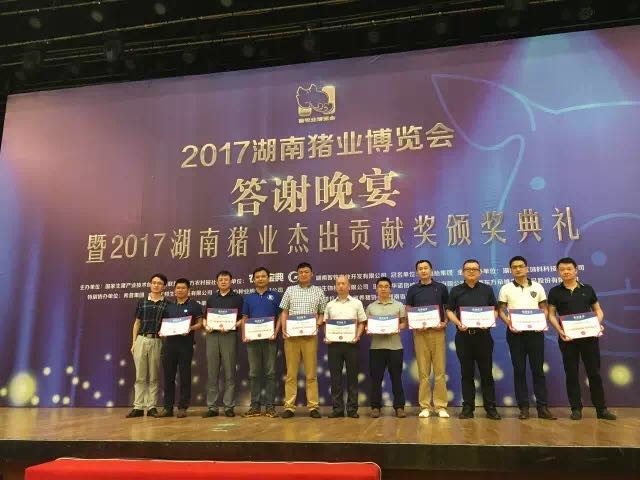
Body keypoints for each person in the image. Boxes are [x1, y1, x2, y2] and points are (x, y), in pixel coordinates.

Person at [547, 257, 616, 421]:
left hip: (589, 338)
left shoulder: (587, 289)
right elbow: (551, 314)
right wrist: (560, 331)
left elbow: (598, 310)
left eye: (569, 269)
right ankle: (576, 409)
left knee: (594, 373)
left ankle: (601, 409)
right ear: (558, 272)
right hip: (567, 339)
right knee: (571, 374)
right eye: (562, 269)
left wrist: (597, 324)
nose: (565, 272)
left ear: (576, 270)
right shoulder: (555, 292)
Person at [498, 256, 555, 420]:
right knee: (519, 370)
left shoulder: (537, 286)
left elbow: (544, 308)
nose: (518, 269)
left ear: (526, 268)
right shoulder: (506, 288)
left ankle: (542, 407)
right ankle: (523, 407)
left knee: (538, 370)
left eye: (521, 266)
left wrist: (541, 321)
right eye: (514, 267)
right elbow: (500, 310)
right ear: (511, 270)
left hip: (535, 333)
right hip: (515, 334)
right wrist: (509, 323)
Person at [446, 259, 501, 420]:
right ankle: (467, 408)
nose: (471, 271)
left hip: (484, 337)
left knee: (486, 373)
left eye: (474, 269)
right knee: (466, 373)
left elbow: (495, 310)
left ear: (479, 272)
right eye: (468, 269)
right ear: (463, 272)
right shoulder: (456, 290)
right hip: (464, 337)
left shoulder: (487, 289)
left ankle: (490, 407)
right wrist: (458, 323)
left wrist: (489, 321)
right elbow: (449, 311)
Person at [279, 262, 327, 419]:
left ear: (311, 274)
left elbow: (322, 313)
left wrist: (317, 325)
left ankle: (313, 406)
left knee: (311, 373)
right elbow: (284, 312)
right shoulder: (290, 290)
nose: (304, 274)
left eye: (306, 272)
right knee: (291, 374)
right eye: (301, 272)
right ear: (297, 274)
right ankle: (289, 407)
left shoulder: (318, 291)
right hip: (292, 337)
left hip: (310, 337)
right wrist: (284, 328)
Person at [405, 259, 450, 418]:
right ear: (417, 272)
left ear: (431, 270)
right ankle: (425, 406)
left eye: (426, 268)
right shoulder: (413, 289)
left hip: (437, 332)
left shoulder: (441, 287)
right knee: (423, 372)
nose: (423, 271)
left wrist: (445, 322)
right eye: (420, 268)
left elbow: (447, 308)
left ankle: (440, 406)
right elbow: (408, 309)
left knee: (439, 371)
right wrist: (414, 324)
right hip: (420, 333)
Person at [158, 278, 203, 418]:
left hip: (186, 345)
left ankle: (183, 407)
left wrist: (190, 328)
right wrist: (162, 331)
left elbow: (200, 323)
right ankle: (167, 408)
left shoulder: (195, 305)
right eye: (178, 288)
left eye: (183, 288)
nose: (180, 290)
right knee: (168, 376)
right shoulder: (169, 306)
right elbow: (163, 324)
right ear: (174, 290)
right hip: (169, 345)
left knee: (185, 375)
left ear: (188, 290)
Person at [126, 273, 169, 418]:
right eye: (154, 282)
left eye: (159, 283)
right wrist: (134, 342)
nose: (156, 285)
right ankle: (138, 407)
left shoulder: (167, 304)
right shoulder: (142, 302)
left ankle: (151, 406)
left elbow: (167, 325)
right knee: (140, 376)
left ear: (164, 286)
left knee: (154, 376)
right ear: (150, 284)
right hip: (141, 339)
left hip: (157, 340)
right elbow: (137, 323)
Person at [241, 267, 282, 418]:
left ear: (268, 278)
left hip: (270, 340)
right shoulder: (248, 298)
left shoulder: (276, 296)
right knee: (254, 373)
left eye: (263, 276)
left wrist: (275, 332)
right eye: (257, 277)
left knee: (270, 373)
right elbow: (245, 318)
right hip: (252, 341)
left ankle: (270, 406)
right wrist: (244, 334)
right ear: (253, 280)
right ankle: (255, 406)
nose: (260, 279)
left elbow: (280, 316)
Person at [324, 275, 367, 418]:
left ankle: (352, 409)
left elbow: (362, 322)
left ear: (349, 286)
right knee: (335, 378)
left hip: (351, 345)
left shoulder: (357, 303)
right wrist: (327, 336)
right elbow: (326, 324)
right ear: (335, 286)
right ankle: (337, 409)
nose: (341, 286)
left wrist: (357, 336)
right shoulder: (330, 305)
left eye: (343, 283)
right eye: (338, 284)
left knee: (352, 378)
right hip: (334, 346)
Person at [202, 270, 243, 418]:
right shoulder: (211, 298)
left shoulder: (238, 298)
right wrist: (206, 326)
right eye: (221, 279)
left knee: (229, 372)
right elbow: (205, 318)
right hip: (212, 336)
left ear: (231, 282)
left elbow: (243, 318)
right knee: (212, 373)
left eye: (226, 279)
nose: (223, 282)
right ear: (216, 282)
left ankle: (229, 406)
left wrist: (233, 325)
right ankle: (212, 407)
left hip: (229, 336)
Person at [366, 277, 407, 418]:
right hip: (376, 348)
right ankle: (375, 407)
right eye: (380, 286)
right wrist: (369, 329)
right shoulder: (371, 307)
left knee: (396, 378)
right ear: (376, 289)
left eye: (386, 286)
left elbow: (404, 323)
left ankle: (399, 407)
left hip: (395, 347)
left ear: (390, 289)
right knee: (376, 379)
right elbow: (367, 326)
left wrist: (396, 327)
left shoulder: (399, 305)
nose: (383, 289)